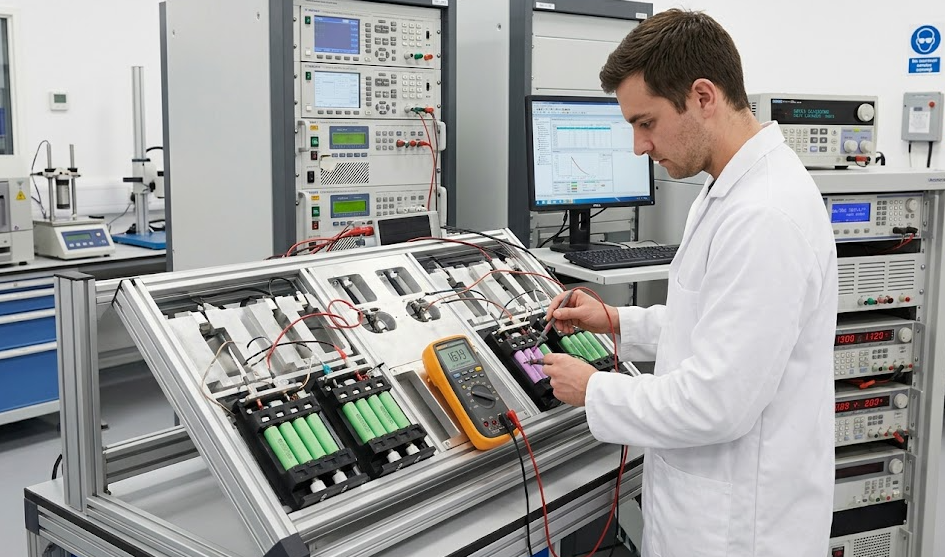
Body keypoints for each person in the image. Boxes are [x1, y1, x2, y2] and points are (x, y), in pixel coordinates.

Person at [541, 9, 838, 557]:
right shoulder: (728, 187)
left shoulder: (765, 214)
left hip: (740, 530)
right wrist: (617, 322)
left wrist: (595, 389)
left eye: (645, 122)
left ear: (703, 96)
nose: (637, 147)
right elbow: (713, 320)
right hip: (705, 511)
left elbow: (717, 402)